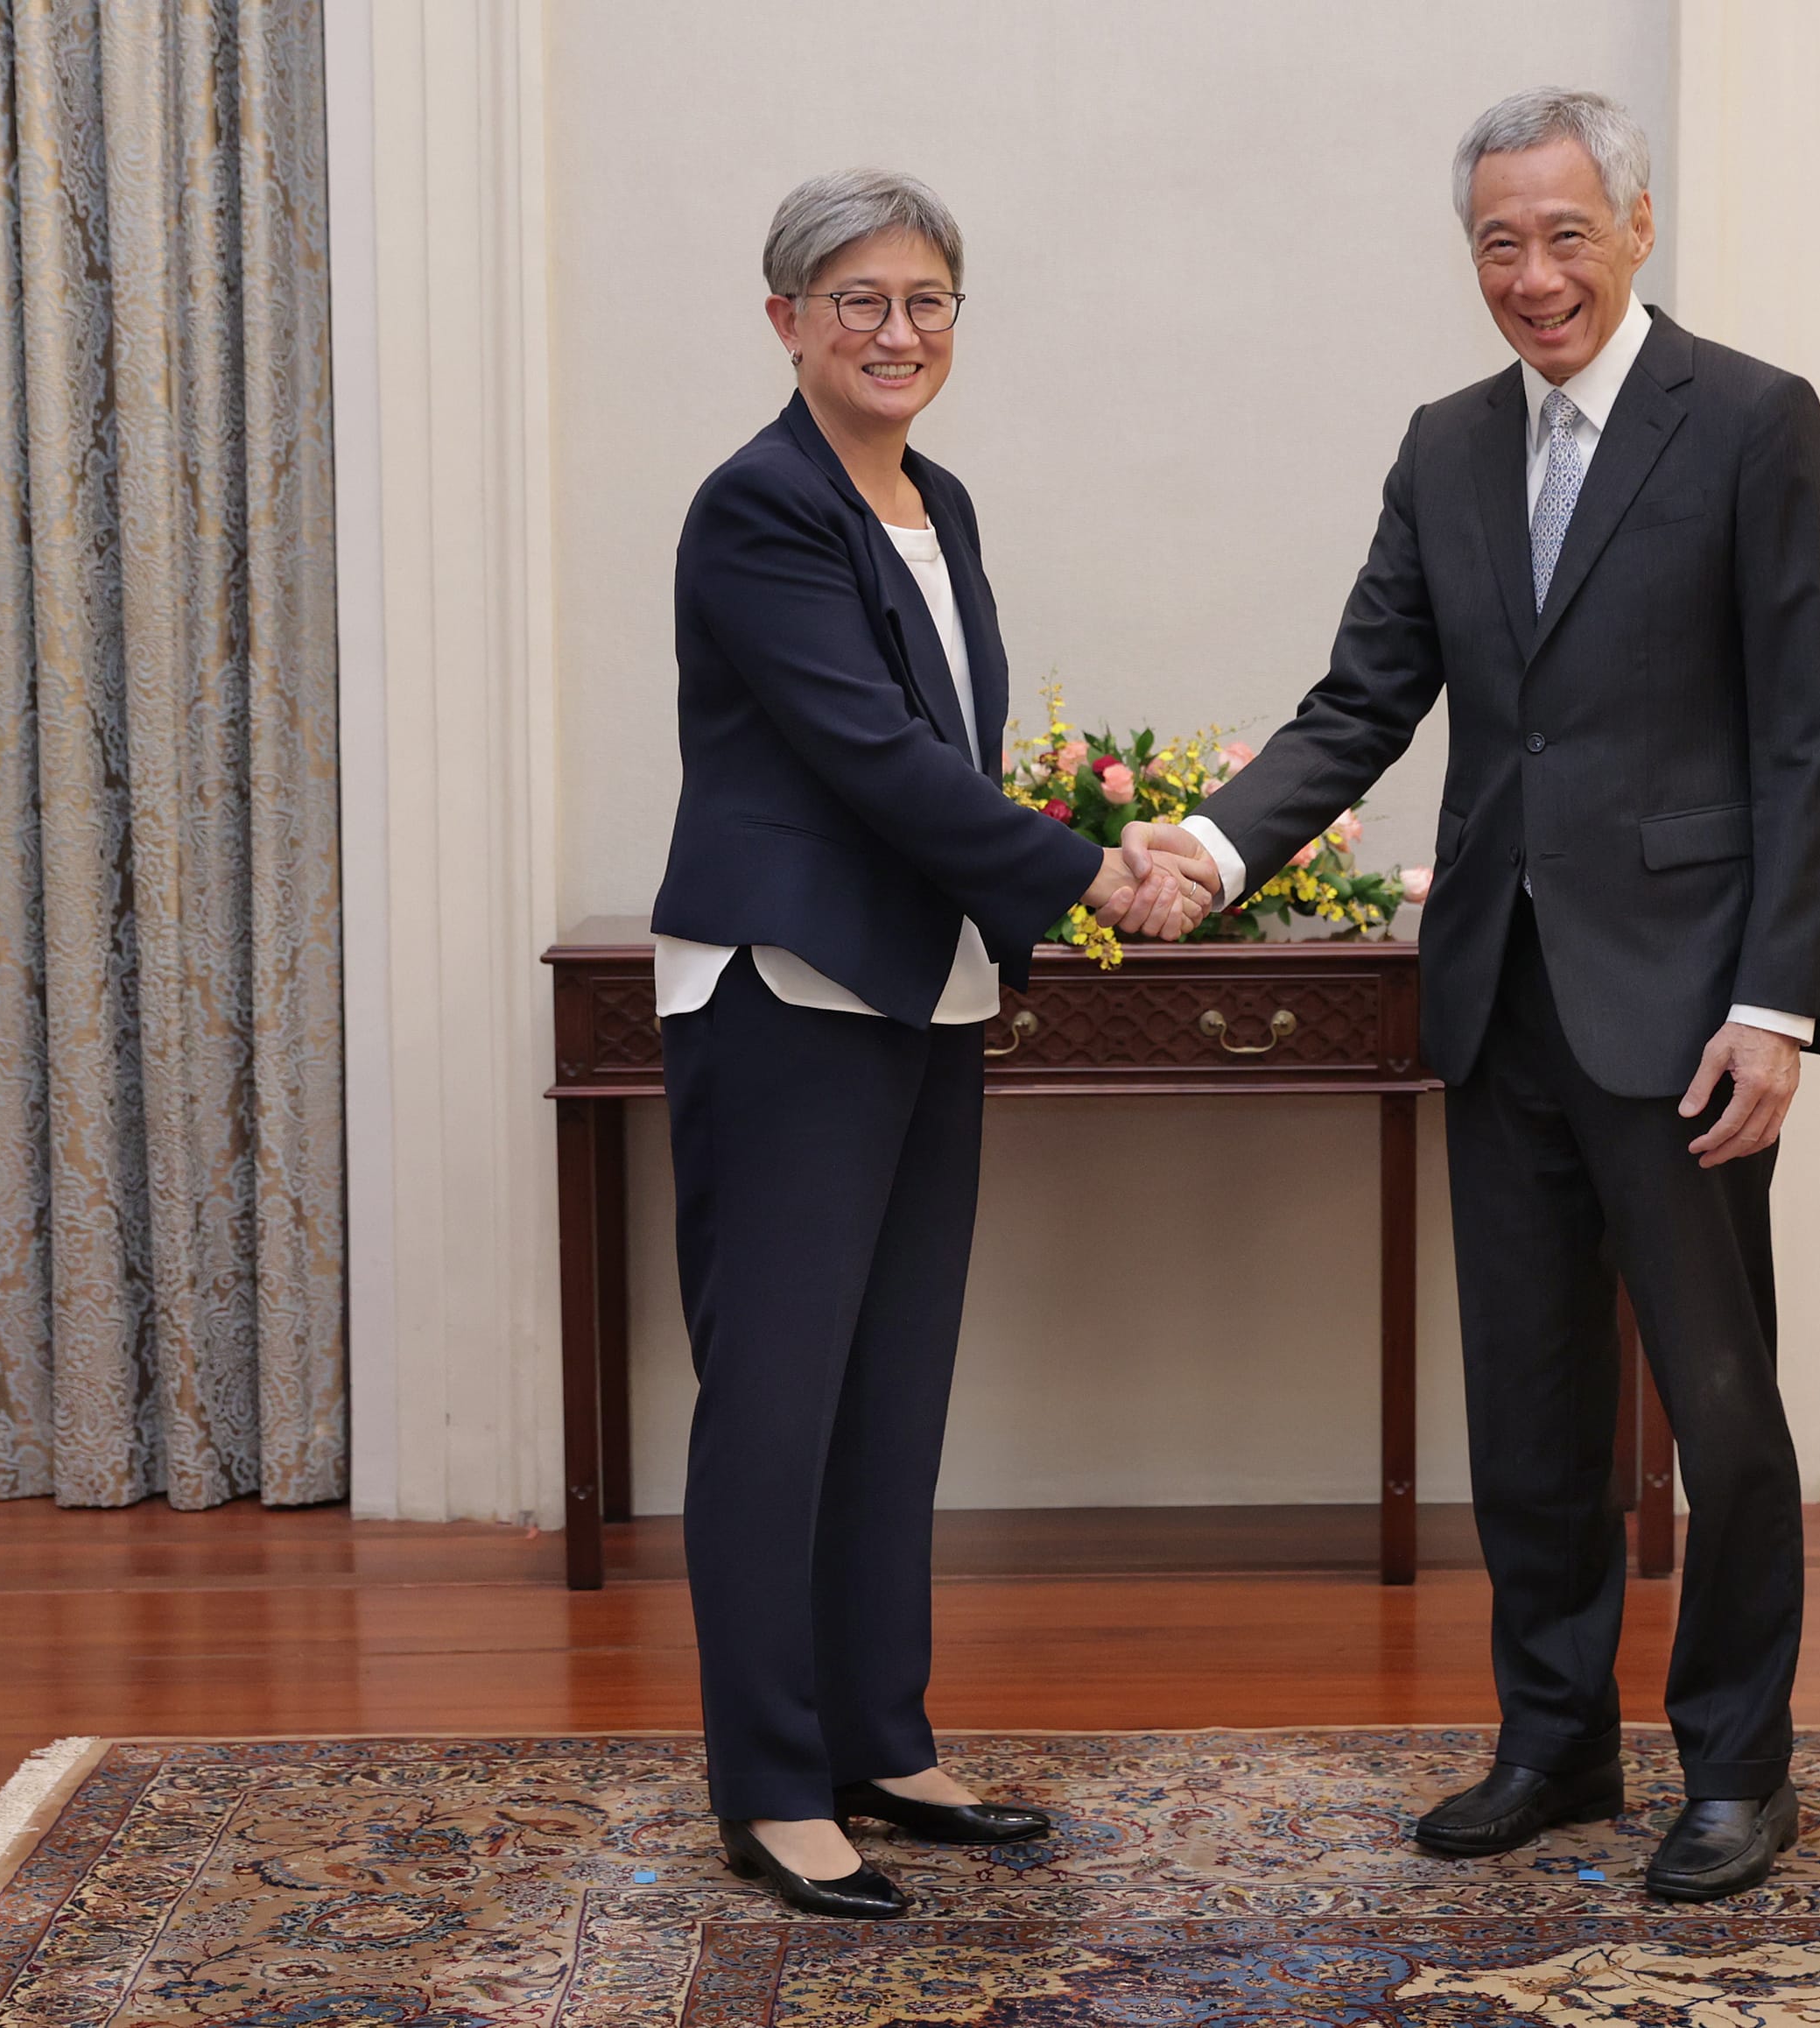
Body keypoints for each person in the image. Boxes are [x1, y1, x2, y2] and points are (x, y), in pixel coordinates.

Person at [1136, 88, 1820, 1902]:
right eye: (1497, 244)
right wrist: (1214, 856)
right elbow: (1361, 700)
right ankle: (1554, 1743)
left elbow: (1807, 735)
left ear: (1637, 225)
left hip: (1688, 1009)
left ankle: (1738, 1770)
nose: (1533, 276)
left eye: (1564, 234)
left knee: (1717, 1402)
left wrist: (1777, 1002)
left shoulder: (1754, 421)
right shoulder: (1447, 447)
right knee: (1526, 1404)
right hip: (1500, 1002)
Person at [652, 168, 1205, 1919]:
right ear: (785, 323)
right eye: (858, 301)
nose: (898, 333)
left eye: (928, 302)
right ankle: (768, 1784)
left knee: (892, 1391)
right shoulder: (758, 508)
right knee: (779, 1403)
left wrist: (1037, 885)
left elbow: (944, 746)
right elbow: (872, 755)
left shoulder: (933, 499)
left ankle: (879, 1738)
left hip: (924, 985)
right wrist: (1084, 878)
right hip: (791, 987)